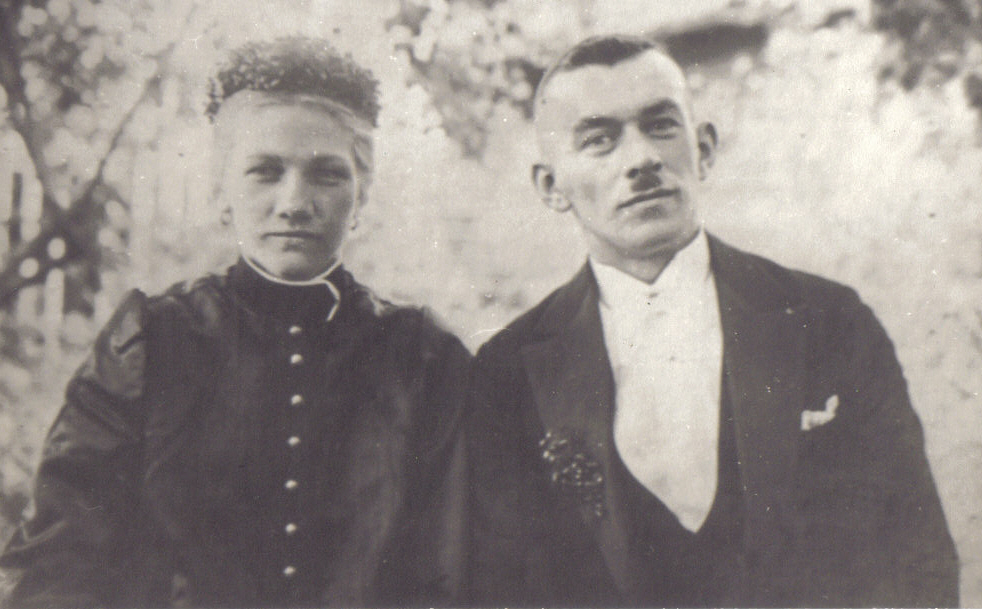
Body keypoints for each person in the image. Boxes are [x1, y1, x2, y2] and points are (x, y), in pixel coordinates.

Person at [465, 34, 958, 607]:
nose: (641, 159)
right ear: (551, 186)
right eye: (599, 140)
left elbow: (917, 558)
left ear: (704, 149)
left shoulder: (829, 322)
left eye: (661, 126)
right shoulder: (508, 373)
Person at [0, 38, 469, 608]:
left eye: (326, 175)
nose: (294, 202)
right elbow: (58, 561)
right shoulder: (152, 343)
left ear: (361, 194)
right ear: (222, 191)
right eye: (265, 172)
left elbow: (456, 570)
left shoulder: (422, 358)